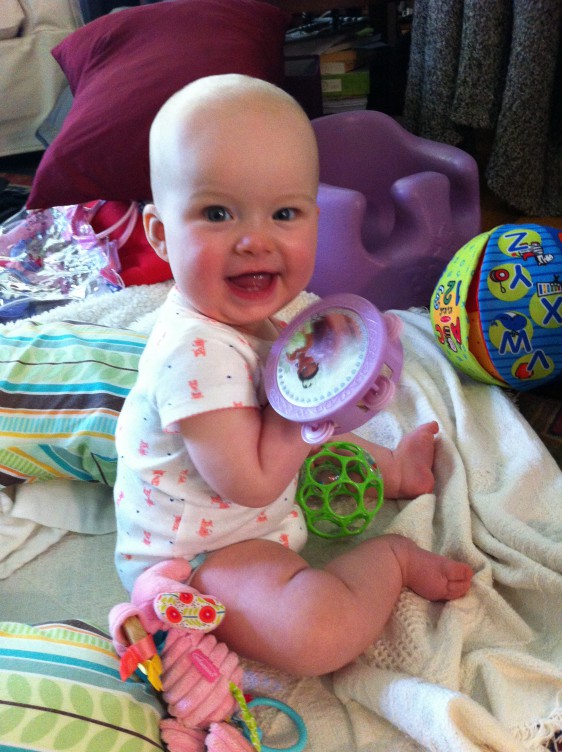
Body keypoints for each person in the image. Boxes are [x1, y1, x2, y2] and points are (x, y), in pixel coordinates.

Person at [114, 73, 473, 677]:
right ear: (161, 236)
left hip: (252, 499)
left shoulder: (256, 315)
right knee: (314, 634)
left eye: (284, 213)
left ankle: (394, 470)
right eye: (217, 213)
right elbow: (252, 481)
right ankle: (392, 560)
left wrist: (346, 379)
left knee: (309, 430)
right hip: (203, 553)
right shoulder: (195, 352)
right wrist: (301, 402)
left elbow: (297, 429)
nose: (256, 241)